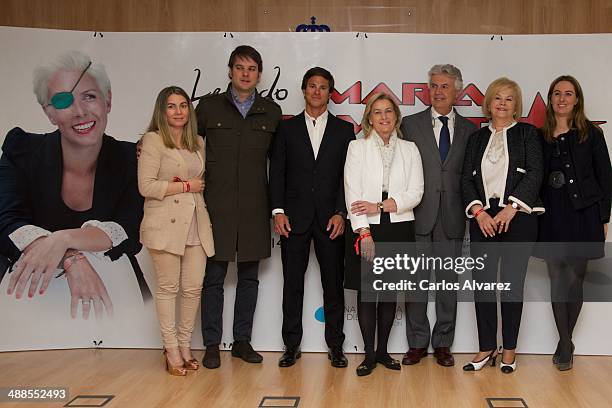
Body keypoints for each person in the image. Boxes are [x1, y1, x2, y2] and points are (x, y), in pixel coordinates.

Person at [0, 50, 150, 324]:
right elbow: (6, 223)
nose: (80, 111)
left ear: (108, 101)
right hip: (28, 304)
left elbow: (129, 232)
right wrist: (71, 258)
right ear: (49, 113)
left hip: (115, 298)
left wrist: (62, 239)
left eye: (89, 96)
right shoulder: (21, 149)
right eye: (63, 100)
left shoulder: (133, 158)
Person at [195, 45, 282, 369]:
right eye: (240, 67)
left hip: (254, 207)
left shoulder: (270, 111)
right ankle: (212, 344)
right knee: (213, 277)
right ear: (230, 71)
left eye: (252, 69)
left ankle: (242, 341)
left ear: (259, 74)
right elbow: (185, 146)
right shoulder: (208, 107)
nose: (246, 74)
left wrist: (277, 208)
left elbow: (281, 164)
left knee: (249, 278)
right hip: (214, 206)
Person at [269, 67, 354, 368]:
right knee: (292, 285)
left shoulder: (345, 131)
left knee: (333, 285)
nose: (317, 92)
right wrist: (278, 211)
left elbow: (349, 178)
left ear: (330, 93)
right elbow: (276, 173)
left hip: (331, 221)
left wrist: (341, 213)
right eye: (312, 86)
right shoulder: (287, 128)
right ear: (304, 90)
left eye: (323, 87)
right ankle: (291, 346)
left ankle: (336, 346)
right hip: (294, 221)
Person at [461, 77, 543, 374]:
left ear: (516, 105)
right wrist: (479, 212)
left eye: (509, 99)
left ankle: (509, 350)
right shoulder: (476, 138)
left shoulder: (527, 134)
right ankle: (486, 348)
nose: (503, 103)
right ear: (489, 103)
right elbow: (466, 180)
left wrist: (511, 208)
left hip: (517, 217)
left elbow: (535, 173)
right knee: (483, 286)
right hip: (483, 217)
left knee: (510, 286)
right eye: (498, 97)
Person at [399, 64, 477, 367]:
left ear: (456, 91)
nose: (438, 91)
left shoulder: (471, 130)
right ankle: (417, 343)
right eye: (433, 85)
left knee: (447, 284)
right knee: (415, 283)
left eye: (445, 86)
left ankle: (443, 343)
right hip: (417, 214)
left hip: (454, 217)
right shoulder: (410, 124)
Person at [344, 92, 424, 376]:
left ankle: (383, 352)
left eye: (388, 111)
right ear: (369, 118)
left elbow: (416, 192)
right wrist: (363, 232)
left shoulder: (410, 148)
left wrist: (381, 204)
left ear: (396, 115)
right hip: (367, 227)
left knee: (390, 293)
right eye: (377, 112)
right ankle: (368, 355)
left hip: (399, 224)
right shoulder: (357, 148)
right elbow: (352, 192)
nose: (384, 117)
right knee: (368, 293)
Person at [138, 86, 215, 376]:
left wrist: (182, 185)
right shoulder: (153, 140)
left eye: (183, 105)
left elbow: (201, 180)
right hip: (165, 224)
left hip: (196, 221)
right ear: (162, 110)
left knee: (193, 288)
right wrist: (183, 186)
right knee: (169, 288)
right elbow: (145, 186)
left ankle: (184, 345)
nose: (178, 111)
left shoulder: (198, 142)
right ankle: (170, 349)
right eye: (171, 106)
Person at [538, 75, 612, 371]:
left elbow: (605, 178)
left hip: (585, 214)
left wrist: (604, 216)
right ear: (551, 98)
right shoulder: (539, 136)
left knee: (576, 280)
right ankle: (566, 343)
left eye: (568, 94)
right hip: (552, 215)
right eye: (557, 93)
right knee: (558, 279)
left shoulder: (591, 134)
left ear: (577, 99)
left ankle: (564, 341)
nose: (562, 99)